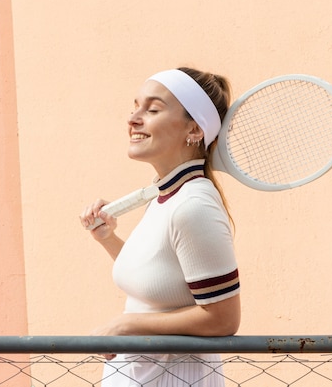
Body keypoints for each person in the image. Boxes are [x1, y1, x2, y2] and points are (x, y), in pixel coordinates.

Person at [79, 67, 241, 387]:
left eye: (152, 110)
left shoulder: (194, 205)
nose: (134, 118)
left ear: (193, 130)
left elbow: (222, 318)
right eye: (135, 106)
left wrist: (129, 325)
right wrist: (108, 239)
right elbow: (161, 282)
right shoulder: (166, 196)